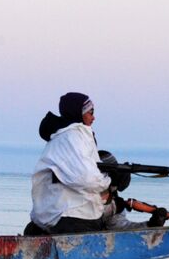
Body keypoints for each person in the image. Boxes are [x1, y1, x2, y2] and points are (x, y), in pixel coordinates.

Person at [27, 92, 111, 235]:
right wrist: (107, 181)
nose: (93, 117)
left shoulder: (62, 137)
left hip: (52, 215)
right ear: (79, 113)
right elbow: (87, 178)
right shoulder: (72, 136)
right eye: (90, 112)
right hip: (73, 216)